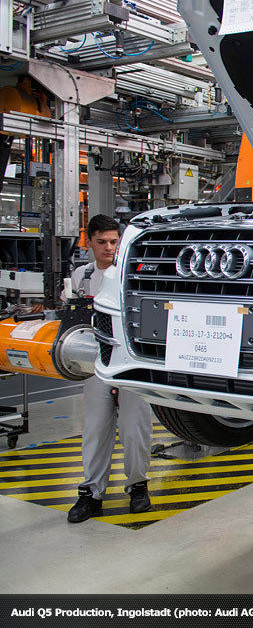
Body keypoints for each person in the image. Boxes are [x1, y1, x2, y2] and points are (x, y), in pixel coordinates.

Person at [66, 214, 153, 523]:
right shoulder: (82, 276)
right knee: (95, 430)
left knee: (134, 428)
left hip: (130, 365)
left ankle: (138, 487)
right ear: (89, 242)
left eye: (114, 242)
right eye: (101, 242)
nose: (109, 248)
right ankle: (91, 494)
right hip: (95, 364)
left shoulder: (133, 272)